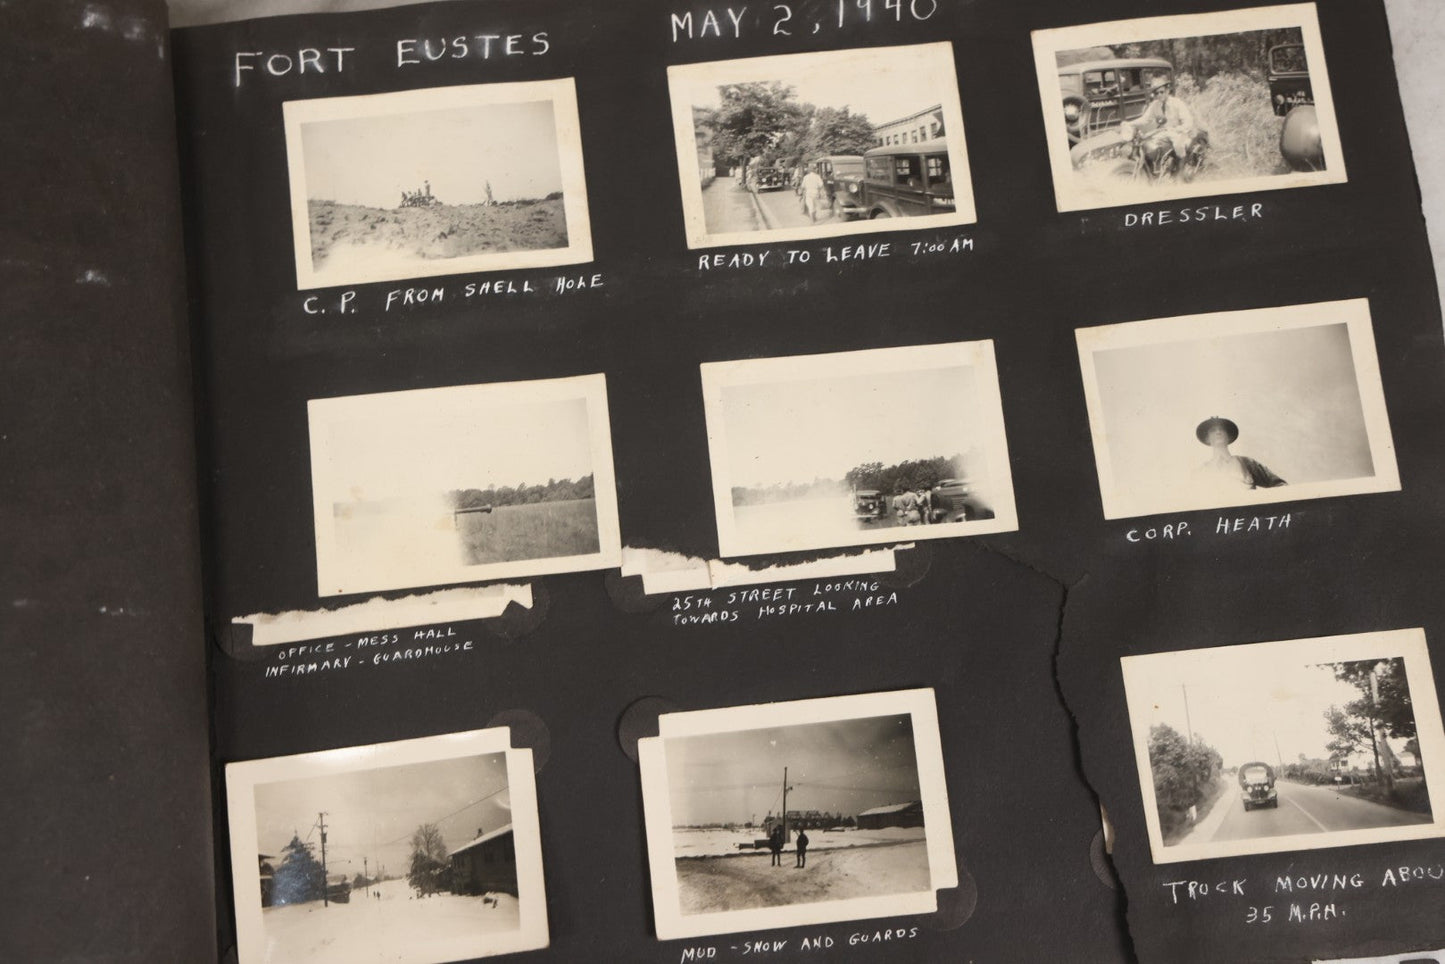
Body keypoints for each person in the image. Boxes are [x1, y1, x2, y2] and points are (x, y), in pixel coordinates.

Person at [1194, 416, 1286, 490]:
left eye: (1222, 429)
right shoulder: (1202, 471)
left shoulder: (1247, 463)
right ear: (1207, 438)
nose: (1218, 432)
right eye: (1213, 430)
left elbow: (1280, 485)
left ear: (1229, 436)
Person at [1122, 77, 1196, 161]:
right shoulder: (1155, 105)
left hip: (1179, 132)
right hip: (1164, 132)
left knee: (1178, 145)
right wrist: (1130, 123)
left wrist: (1177, 129)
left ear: (1167, 91)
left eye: (1162, 92)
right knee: (1148, 143)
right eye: (1156, 93)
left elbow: (1188, 122)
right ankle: (1159, 163)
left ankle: (1183, 164)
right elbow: (1145, 119)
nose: (1159, 95)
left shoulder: (1177, 103)